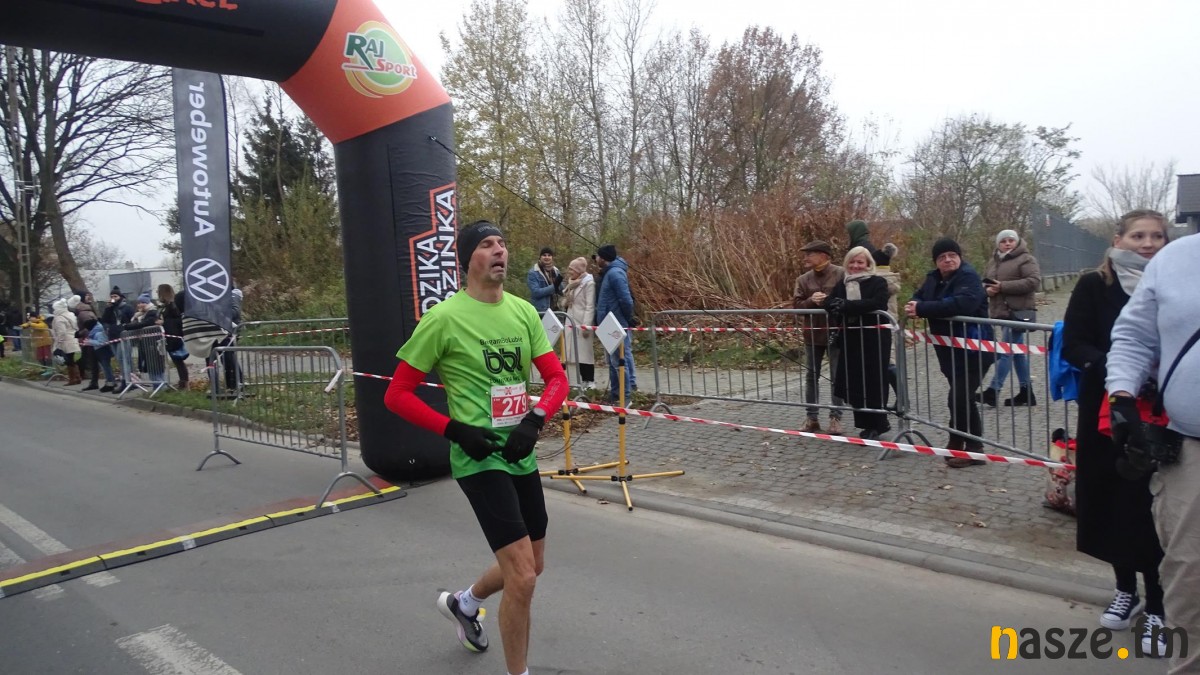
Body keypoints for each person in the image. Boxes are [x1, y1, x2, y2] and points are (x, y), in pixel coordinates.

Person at [384, 220, 569, 675]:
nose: (499, 250)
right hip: (478, 460)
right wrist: (455, 430)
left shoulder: (523, 312)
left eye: (502, 243)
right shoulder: (444, 319)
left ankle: (465, 603)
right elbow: (397, 394)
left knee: (533, 565)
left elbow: (557, 379)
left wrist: (535, 419)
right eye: (487, 244)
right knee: (522, 577)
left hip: (518, 454)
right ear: (468, 259)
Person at [1063, 210, 1170, 655]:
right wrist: (1117, 368)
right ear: (1118, 239)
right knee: (1110, 500)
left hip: (1162, 412)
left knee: (1153, 509)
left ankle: (1160, 605)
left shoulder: (1175, 282)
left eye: (1157, 236)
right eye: (1138, 235)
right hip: (1107, 411)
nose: (1148, 244)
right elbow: (1074, 343)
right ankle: (1125, 589)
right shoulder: (1095, 284)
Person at [1106, 218, 1200, 670]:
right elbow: (1134, 335)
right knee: (1188, 572)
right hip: (1191, 448)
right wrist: (1122, 396)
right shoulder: (1176, 258)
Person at [905, 237, 994, 468]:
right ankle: (962, 442)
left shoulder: (968, 277)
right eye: (942, 257)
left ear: (959, 257)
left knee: (959, 398)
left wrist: (922, 308)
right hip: (949, 352)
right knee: (962, 398)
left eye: (952, 255)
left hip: (975, 350)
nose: (948, 260)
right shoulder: (933, 278)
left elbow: (962, 304)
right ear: (936, 262)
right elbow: (919, 295)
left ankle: (971, 447)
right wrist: (914, 304)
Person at [825, 246, 892, 440]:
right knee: (855, 381)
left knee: (873, 381)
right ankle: (864, 424)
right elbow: (829, 301)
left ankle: (878, 423)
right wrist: (833, 305)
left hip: (874, 339)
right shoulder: (843, 283)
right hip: (852, 339)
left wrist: (847, 306)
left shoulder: (878, 282)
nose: (855, 266)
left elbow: (878, 303)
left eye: (860, 262)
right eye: (852, 262)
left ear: (868, 264)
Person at [977, 229, 1042, 407]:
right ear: (998, 244)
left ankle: (993, 390)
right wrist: (987, 290)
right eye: (1003, 241)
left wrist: (1003, 286)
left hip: (1018, 312)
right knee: (1017, 352)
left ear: (1017, 242)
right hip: (1002, 312)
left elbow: (1034, 281)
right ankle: (1026, 392)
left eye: (1010, 240)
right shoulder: (993, 261)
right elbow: (986, 282)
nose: (1007, 243)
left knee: (1006, 350)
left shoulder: (1026, 259)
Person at [792, 240, 846, 435]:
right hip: (812, 334)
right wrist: (810, 301)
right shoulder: (802, 279)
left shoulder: (841, 274)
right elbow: (797, 306)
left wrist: (829, 301)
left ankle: (835, 418)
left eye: (810, 254)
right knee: (811, 376)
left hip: (836, 333)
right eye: (805, 254)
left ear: (823, 255)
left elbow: (848, 299)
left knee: (836, 376)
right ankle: (811, 418)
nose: (805, 258)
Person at [846, 220, 901, 399]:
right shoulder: (869, 249)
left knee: (886, 359)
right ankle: (895, 398)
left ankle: (900, 398)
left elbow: (876, 289)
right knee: (882, 359)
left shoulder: (864, 250)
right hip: (882, 315)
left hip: (880, 317)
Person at [594, 243, 637, 403]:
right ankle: (615, 394)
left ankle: (626, 396)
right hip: (608, 323)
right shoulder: (608, 273)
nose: (596, 259)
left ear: (603, 258)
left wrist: (628, 318)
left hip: (617, 323)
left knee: (619, 360)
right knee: (612, 362)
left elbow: (626, 299)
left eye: (598, 256)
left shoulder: (615, 273)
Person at [561, 256, 596, 389]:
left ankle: (590, 380)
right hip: (571, 321)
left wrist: (586, 326)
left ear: (579, 270)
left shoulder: (589, 283)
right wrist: (566, 299)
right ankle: (578, 381)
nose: (570, 272)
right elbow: (565, 303)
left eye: (572, 270)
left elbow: (589, 306)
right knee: (573, 353)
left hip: (582, 322)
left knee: (585, 353)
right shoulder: (572, 284)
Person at [157, 284, 189, 389]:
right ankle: (183, 382)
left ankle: (184, 383)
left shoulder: (172, 306)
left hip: (173, 336)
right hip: (172, 336)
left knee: (178, 361)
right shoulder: (168, 306)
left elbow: (174, 322)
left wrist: (163, 323)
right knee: (177, 361)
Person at [102, 287, 135, 388]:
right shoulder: (111, 308)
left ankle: (127, 381)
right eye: (111, 296)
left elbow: (133, 320)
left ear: (120, 297)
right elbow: (105, 320)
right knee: (119, 359)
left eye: (115, 296)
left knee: (123, 358)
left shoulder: (127, 307)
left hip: (124, 335)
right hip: (113, 336)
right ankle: (127, 379)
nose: (113, 298)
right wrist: (108, 308)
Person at [50, 298, 82, 385]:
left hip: (65, 341)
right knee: (71, 359)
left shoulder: (59, 318)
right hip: (73, 339)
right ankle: (77, 377)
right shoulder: (71, 315)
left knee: (68, 361)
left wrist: (58, 343)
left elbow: (61, 332)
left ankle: (72, 379)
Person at [72, 293, 99, 390]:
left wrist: (79, 333)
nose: (89, 298)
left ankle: (93, 381)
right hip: (89, 339)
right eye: (87, 296)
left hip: (89, 339)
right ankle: (93, 380)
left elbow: (91, 326)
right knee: (91, 359)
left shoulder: (83, 312)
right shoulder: (87, 310)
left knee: (91, 360)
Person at [81, 318, 116, 392]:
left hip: (103, 351)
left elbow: (101, 342)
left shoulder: (98, 333)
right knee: (106, 368)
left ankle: (110, 383)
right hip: (101, 351)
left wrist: (90, 342)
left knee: (106, 368)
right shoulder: (98, 331)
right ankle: (111, 382)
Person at [526, 246, 563, 313]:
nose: (547, 257)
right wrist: (554, 286)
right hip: (541, 310)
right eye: (544, 255)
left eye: (549, 255)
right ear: (540, 257)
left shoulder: (556, 271)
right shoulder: (533, 272)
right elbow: (536, 292)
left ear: (552, 257)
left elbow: (561, 289)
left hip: (556, 309)